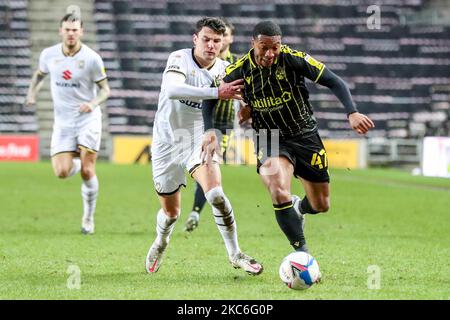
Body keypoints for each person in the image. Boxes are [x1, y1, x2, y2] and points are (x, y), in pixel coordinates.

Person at [202, 21, 374, 256]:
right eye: (264, 47)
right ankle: (301, 253)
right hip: (269, 137)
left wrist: (352, 112)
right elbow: (210, 97)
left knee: (320, 205)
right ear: (253, 44)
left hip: (305, 135)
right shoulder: (238, 69)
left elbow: (334, 81)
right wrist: (210, 130)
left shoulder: (294, 59)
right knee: (277, 187)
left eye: (276, 47)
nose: (271, 53)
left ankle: (299, 207)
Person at [145, 17, 263, 276]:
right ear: (195, 39)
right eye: (206, 39)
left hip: (198, 140)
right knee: (172, 213)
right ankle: (161, 241)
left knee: (216, 195)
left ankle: (235, 253)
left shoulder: (225, 70)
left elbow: (241, 100)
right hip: (166, 141)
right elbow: (172, 89)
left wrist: (247, 110)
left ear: (223, 43)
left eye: (217, 41)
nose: (211, 45)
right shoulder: (179, 58)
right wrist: (215, 93)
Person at [25, 13, 110, 235]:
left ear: (81, 32)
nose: (71, 33)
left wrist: (93, 103)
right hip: (62, 122)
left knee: (87, 170)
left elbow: (106, 90)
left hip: (87, 119)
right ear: (60, 31)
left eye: (75, 30)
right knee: (62, 172)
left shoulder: (92, 58)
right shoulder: (48, 54)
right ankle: (77, 161)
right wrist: (31, 93)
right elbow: (39, 75)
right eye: (67, 29)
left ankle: (88, 220)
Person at [184, 18, 241, 233]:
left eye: (224, 36)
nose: (220, 40)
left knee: (208, 163)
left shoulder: (237, 63)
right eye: (217, 37)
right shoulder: (200, 62)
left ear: (230, 38)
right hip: (193, 120)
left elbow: (244, 91)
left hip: (223, 124)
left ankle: (195, 211)